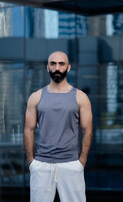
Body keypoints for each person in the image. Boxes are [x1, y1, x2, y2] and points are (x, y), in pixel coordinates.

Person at [24, 51, 93, 202]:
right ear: (47, 67)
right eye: (53, 64)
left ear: (68, 68)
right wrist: (31, 162)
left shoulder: (80, 97)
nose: (57, 68)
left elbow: (87, 130)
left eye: (61, 64)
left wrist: (81, 162)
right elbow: (29, 129)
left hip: (71, 164)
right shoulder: (36, 97)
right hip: (41, 165)